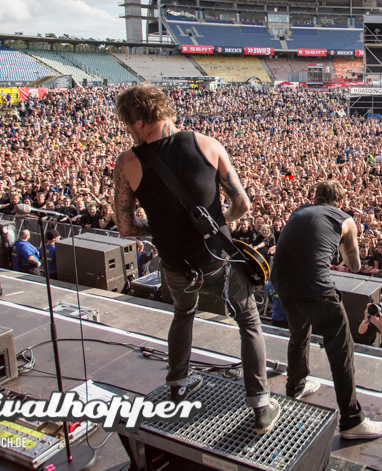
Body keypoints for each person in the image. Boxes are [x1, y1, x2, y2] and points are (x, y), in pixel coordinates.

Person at [112, 84, 279, 434]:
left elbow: (126, 227)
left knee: (183, 314)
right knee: (248, 321)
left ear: (140, 121)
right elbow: (242, 205)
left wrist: (158, 231)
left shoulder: (127, 162)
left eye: (128, 125)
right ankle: (261, 405)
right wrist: (220, 224)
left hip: (175, 265)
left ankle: (179, 384)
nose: (128, 132)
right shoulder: (207, 144)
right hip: (217, 259)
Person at [270, 180, 382, 440]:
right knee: (341, 344)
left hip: (281, 282)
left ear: (315, 198)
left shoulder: (299, 211)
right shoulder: (345, 219)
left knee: (299, 331)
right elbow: (355, 264)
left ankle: (296, 385)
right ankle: (351, 420)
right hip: (314, 285)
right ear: (340, 202)